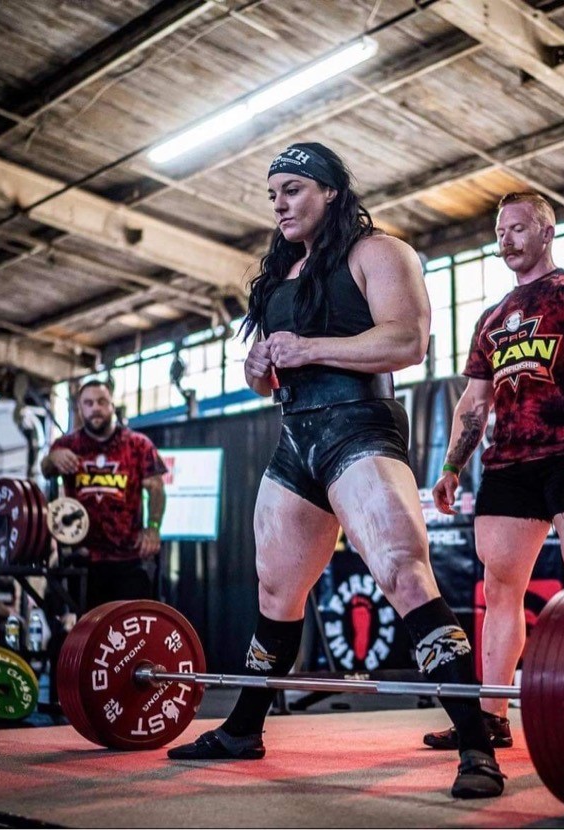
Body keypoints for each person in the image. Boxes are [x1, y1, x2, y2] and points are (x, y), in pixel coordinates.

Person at [166, 142, 503, 799]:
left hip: (359, 427)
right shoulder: (277, 279)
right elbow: (267, 373)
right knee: (274, 596)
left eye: (292, 189)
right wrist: (259, 368)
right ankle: (242, 728)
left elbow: (407, 341)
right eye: (273, 194)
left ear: (329, 191)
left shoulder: (378, 252)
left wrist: (310, 347)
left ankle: (476, 745)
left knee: (404, 573)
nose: (280, 204)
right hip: (297, 438)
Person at [423, 191, 564, 751]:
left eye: (517, 228)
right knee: (499, 589)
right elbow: (474, 404)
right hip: (509, 461)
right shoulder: (491, 319)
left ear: (545, 231)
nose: (506, 240)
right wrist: (450, 466)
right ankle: (491, 716)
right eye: (500, 232)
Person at [40, 378, 167, 610]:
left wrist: (153, 528)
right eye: (88, 403)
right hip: (83, 558)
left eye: (101, 402)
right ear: (80, 409)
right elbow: (45, 470)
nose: (95, 408)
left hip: (128, 559)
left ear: (111, 405)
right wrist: (52, 458)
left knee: (131, 632)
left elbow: (156, 487)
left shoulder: (138, 444)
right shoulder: (67, 445)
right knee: (88, 632)